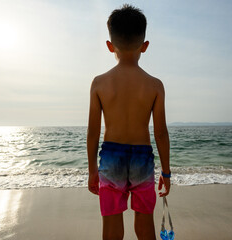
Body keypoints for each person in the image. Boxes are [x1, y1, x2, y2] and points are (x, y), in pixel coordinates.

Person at [87, 4, 170, 240]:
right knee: (145, 225)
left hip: (111, 158)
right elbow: (161, 133)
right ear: (145, 46)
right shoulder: (155, 85)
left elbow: (93, 132)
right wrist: (166, 171)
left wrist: (93, 169)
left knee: (111, 226)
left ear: (109, 46)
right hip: (143, 158)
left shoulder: (99, 83)